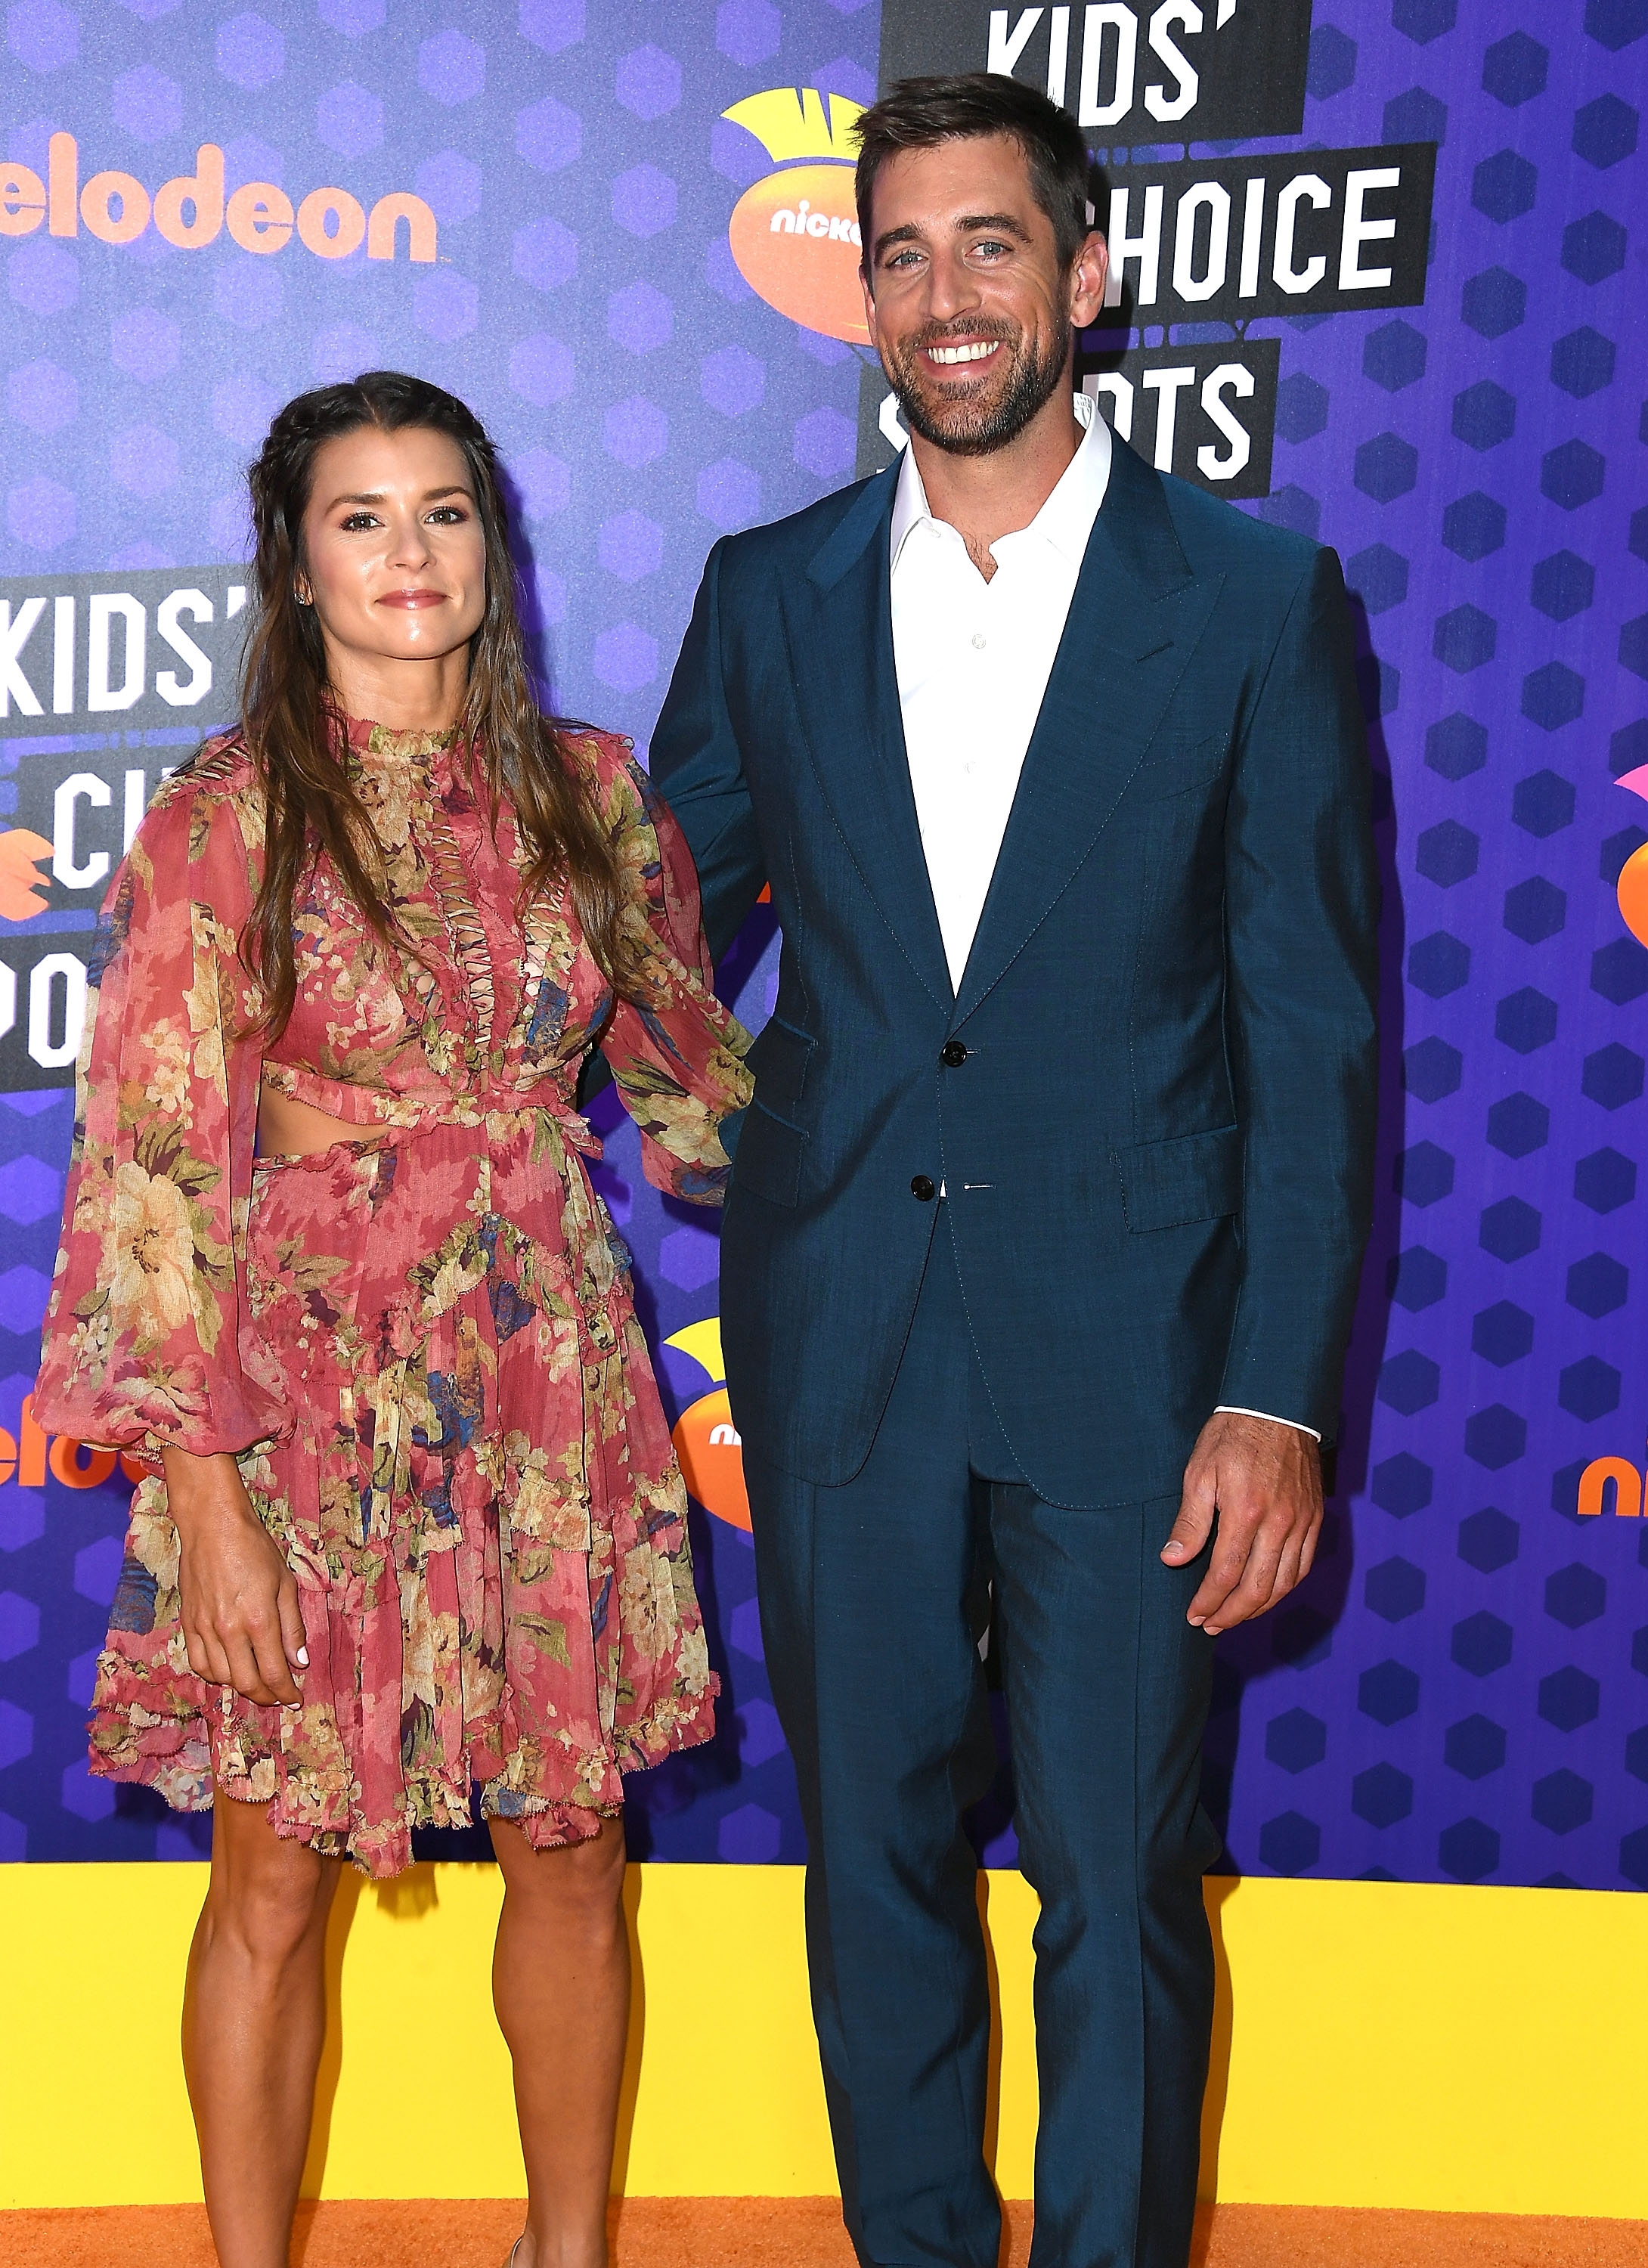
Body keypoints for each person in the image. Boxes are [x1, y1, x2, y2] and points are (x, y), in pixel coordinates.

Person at [649, 73, 1379, 2268]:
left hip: (1136, 1349)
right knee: (865, 1862)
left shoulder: (1253, 599)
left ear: (1085, 275)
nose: (944, 297)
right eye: (898, 253)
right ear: (856, 295)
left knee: (1115, 1877)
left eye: (989, 246)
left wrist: (1275, 1392)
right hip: (841, 1322)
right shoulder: (767, 593)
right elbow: (655, 926)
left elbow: (1316, 1031)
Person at [34, 370, 752, 2268]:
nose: (409, 553)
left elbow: (705, 1102)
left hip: (543, 1367)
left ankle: (570, 2251)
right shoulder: (225, 817)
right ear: (294, 563)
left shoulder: (594, 795)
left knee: (574, 1841)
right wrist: (205, 1503)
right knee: (271, 1862)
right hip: (301, 1386)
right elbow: (157, 1177)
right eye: (361, 518)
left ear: (491, 547)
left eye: (444, 511)